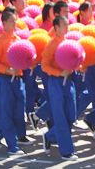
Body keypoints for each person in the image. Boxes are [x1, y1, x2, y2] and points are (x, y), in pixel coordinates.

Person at [0, 7, 29, 154]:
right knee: (7, 112)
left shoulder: (18, 40)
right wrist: (7, 70)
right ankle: (12, 146)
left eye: (15, 20)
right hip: (4, 79)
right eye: (12, 21)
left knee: (19, 111)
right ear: (4, 23)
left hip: (18, 80)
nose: (15, 23)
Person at [40, 15, 78, 160]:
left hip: (68, 82)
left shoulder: (69, 43)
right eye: (64, 25)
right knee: (61, 117)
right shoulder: (51, 45)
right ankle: (66, 152)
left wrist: (77, 66)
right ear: (56, 28)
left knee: (71, 115)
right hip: (56, 82)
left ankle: (50, 136)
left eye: (68, 24)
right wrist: (59, 72)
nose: (67, 28)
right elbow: (44, 65)